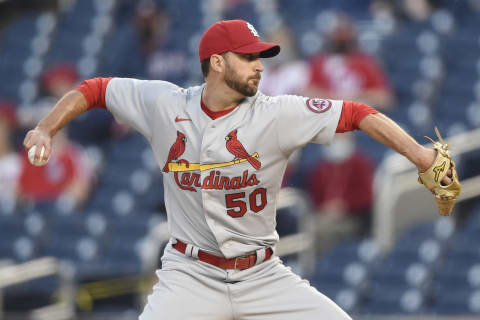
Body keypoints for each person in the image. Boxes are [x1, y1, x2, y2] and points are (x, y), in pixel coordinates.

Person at [23, 19, 453, 320]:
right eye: (248, 57)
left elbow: (357, 112)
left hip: (262, 273)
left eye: (261, 56)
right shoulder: (165, 104)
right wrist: (46, 127)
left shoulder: (277, 113)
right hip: (190, 274)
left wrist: (419, 155)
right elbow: (96, 89)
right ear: (216, 62)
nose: (260, 65)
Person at [304, 12, 395, 111]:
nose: (340, 38)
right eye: (337, 34)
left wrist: (354, 97)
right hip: (327, 117)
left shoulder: (365, 62)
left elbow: (385, 98)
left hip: (358, 118)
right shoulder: (319, 62)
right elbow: (307, 94)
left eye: (343, 33)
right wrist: (337, 99)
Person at [306, 132, 374, 254]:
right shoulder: (322, 166)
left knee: (322, 230)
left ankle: (321, 266)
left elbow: (366, 197)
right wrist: (325, 209)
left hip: (353, 217)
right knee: (305, 227)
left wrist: (344, 205)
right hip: (325, 216)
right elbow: (316, 197)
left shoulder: (360, 163)